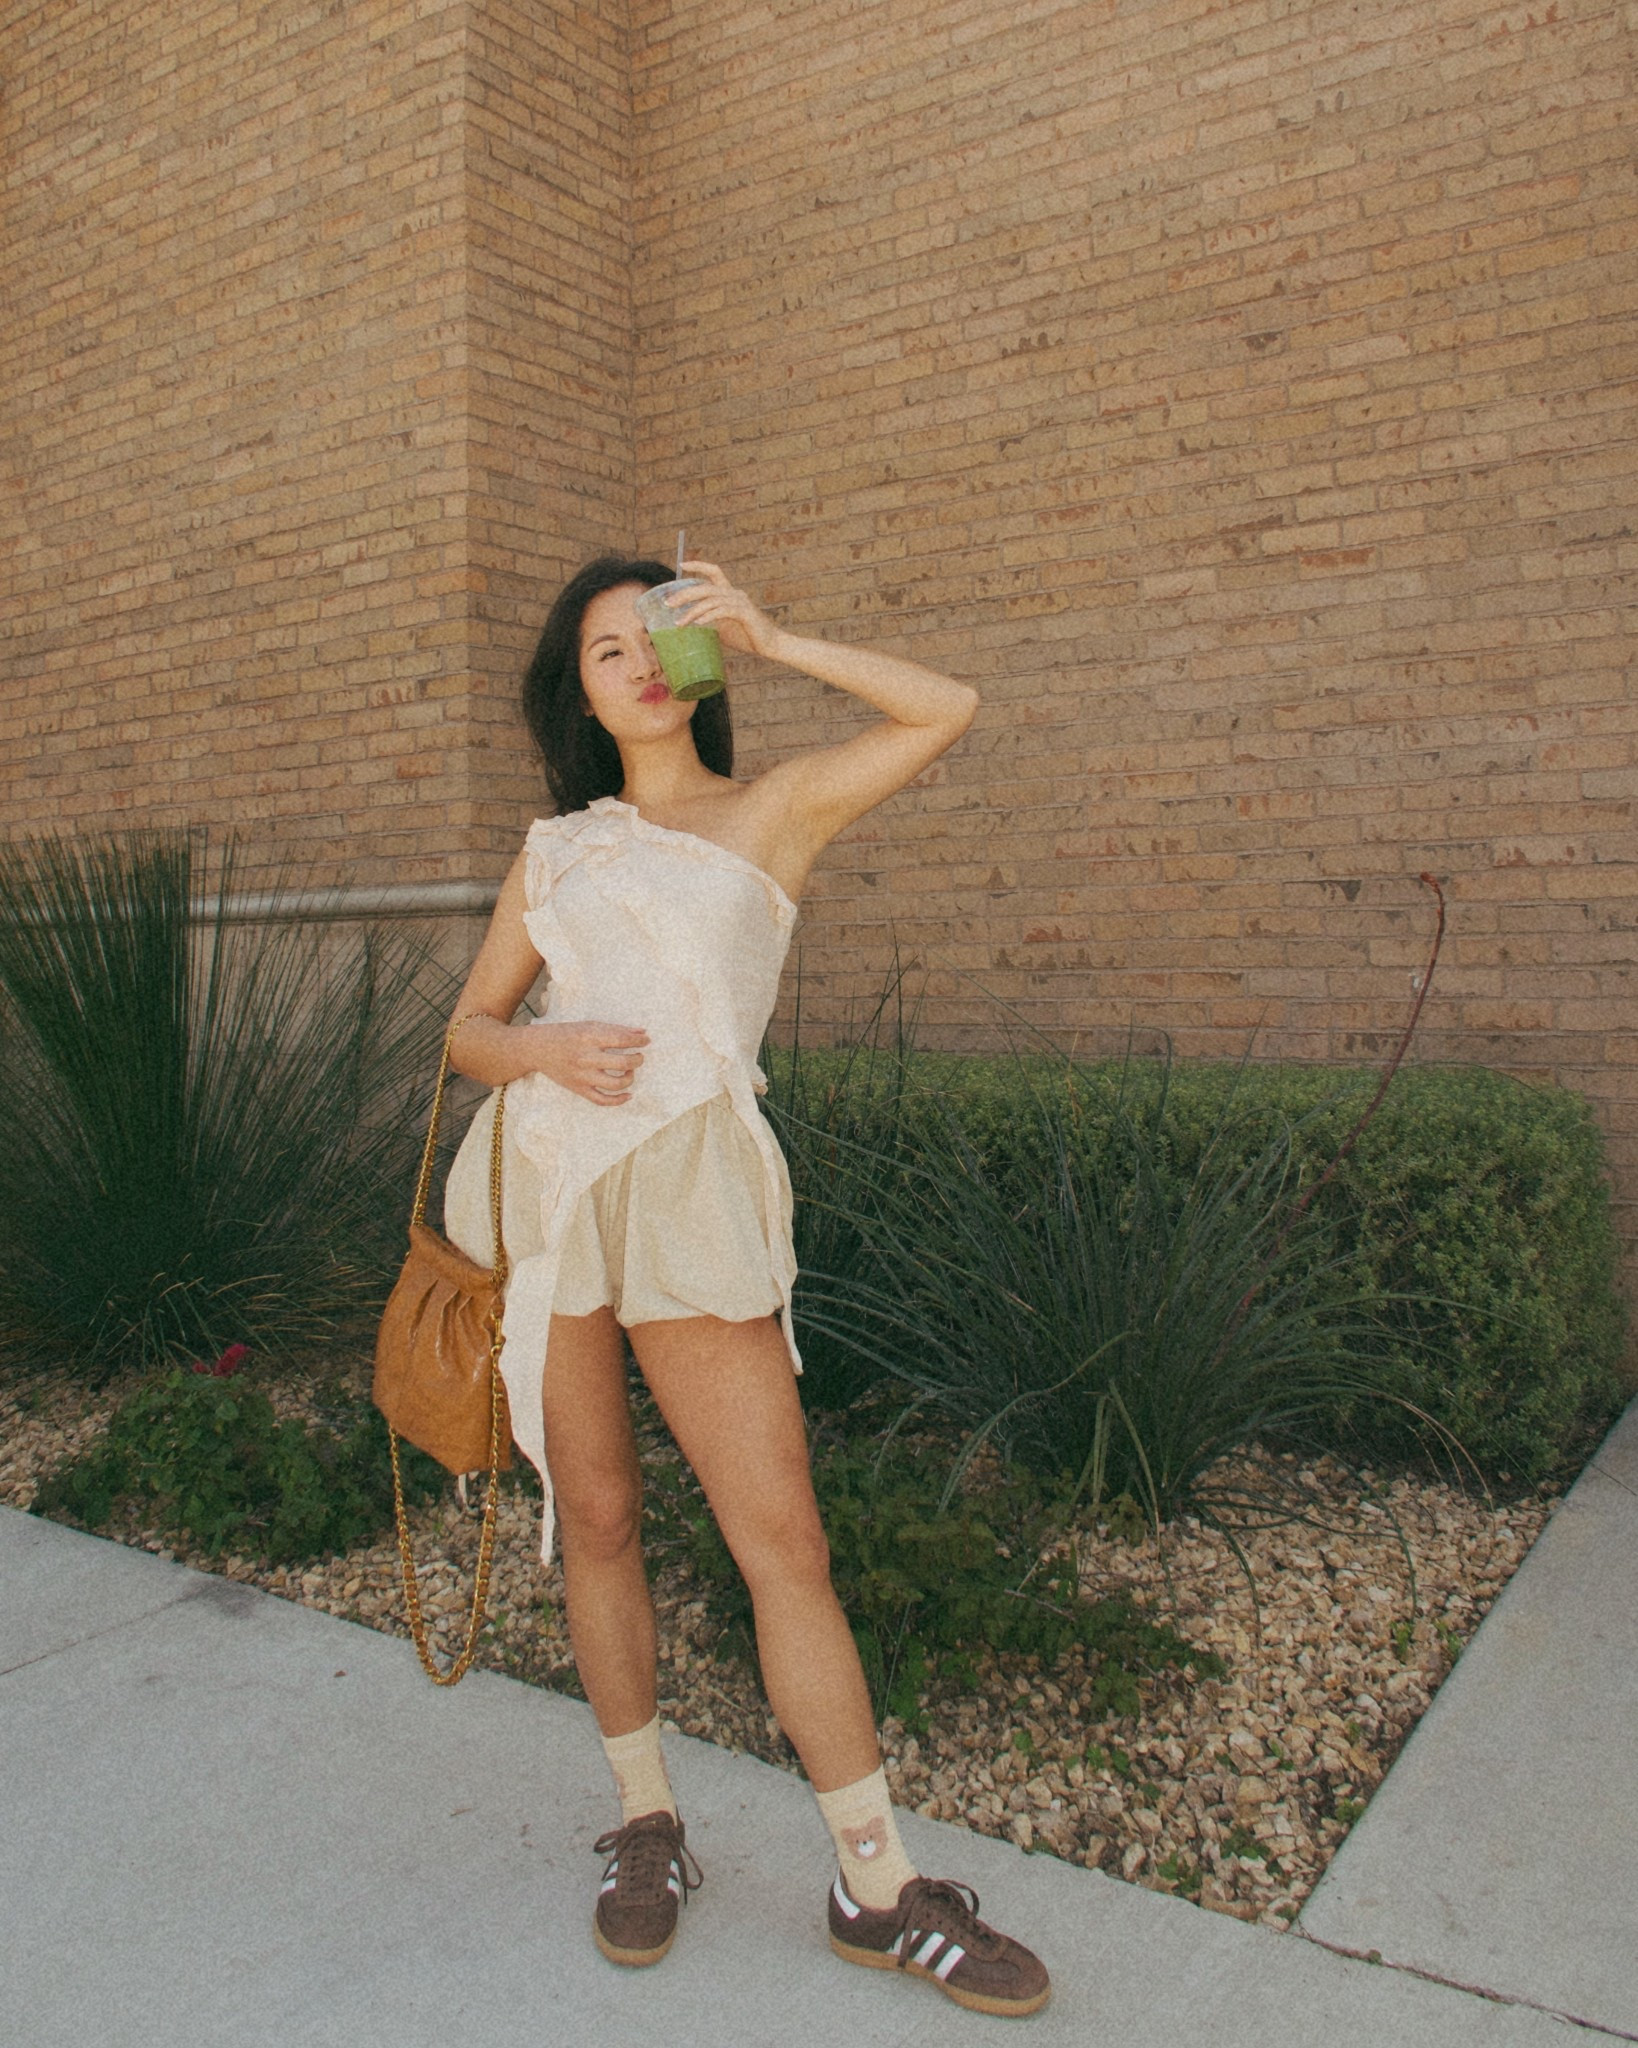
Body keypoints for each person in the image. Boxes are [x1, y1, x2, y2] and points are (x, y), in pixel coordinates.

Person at [440, 556, 1050, 2019]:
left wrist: (777, 636)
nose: (638, 663)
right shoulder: (558, 846)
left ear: (697, 652)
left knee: (781, 1539)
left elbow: (945, 707)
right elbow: (467, 1027)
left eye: (656, 634)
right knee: (591, 1513)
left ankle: (877, 1884)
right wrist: (540, 1049)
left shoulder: (771, 810)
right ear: (575, 692)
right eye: (604, 650)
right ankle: (645, 1821)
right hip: (557, 1192)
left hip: (696, 1190)